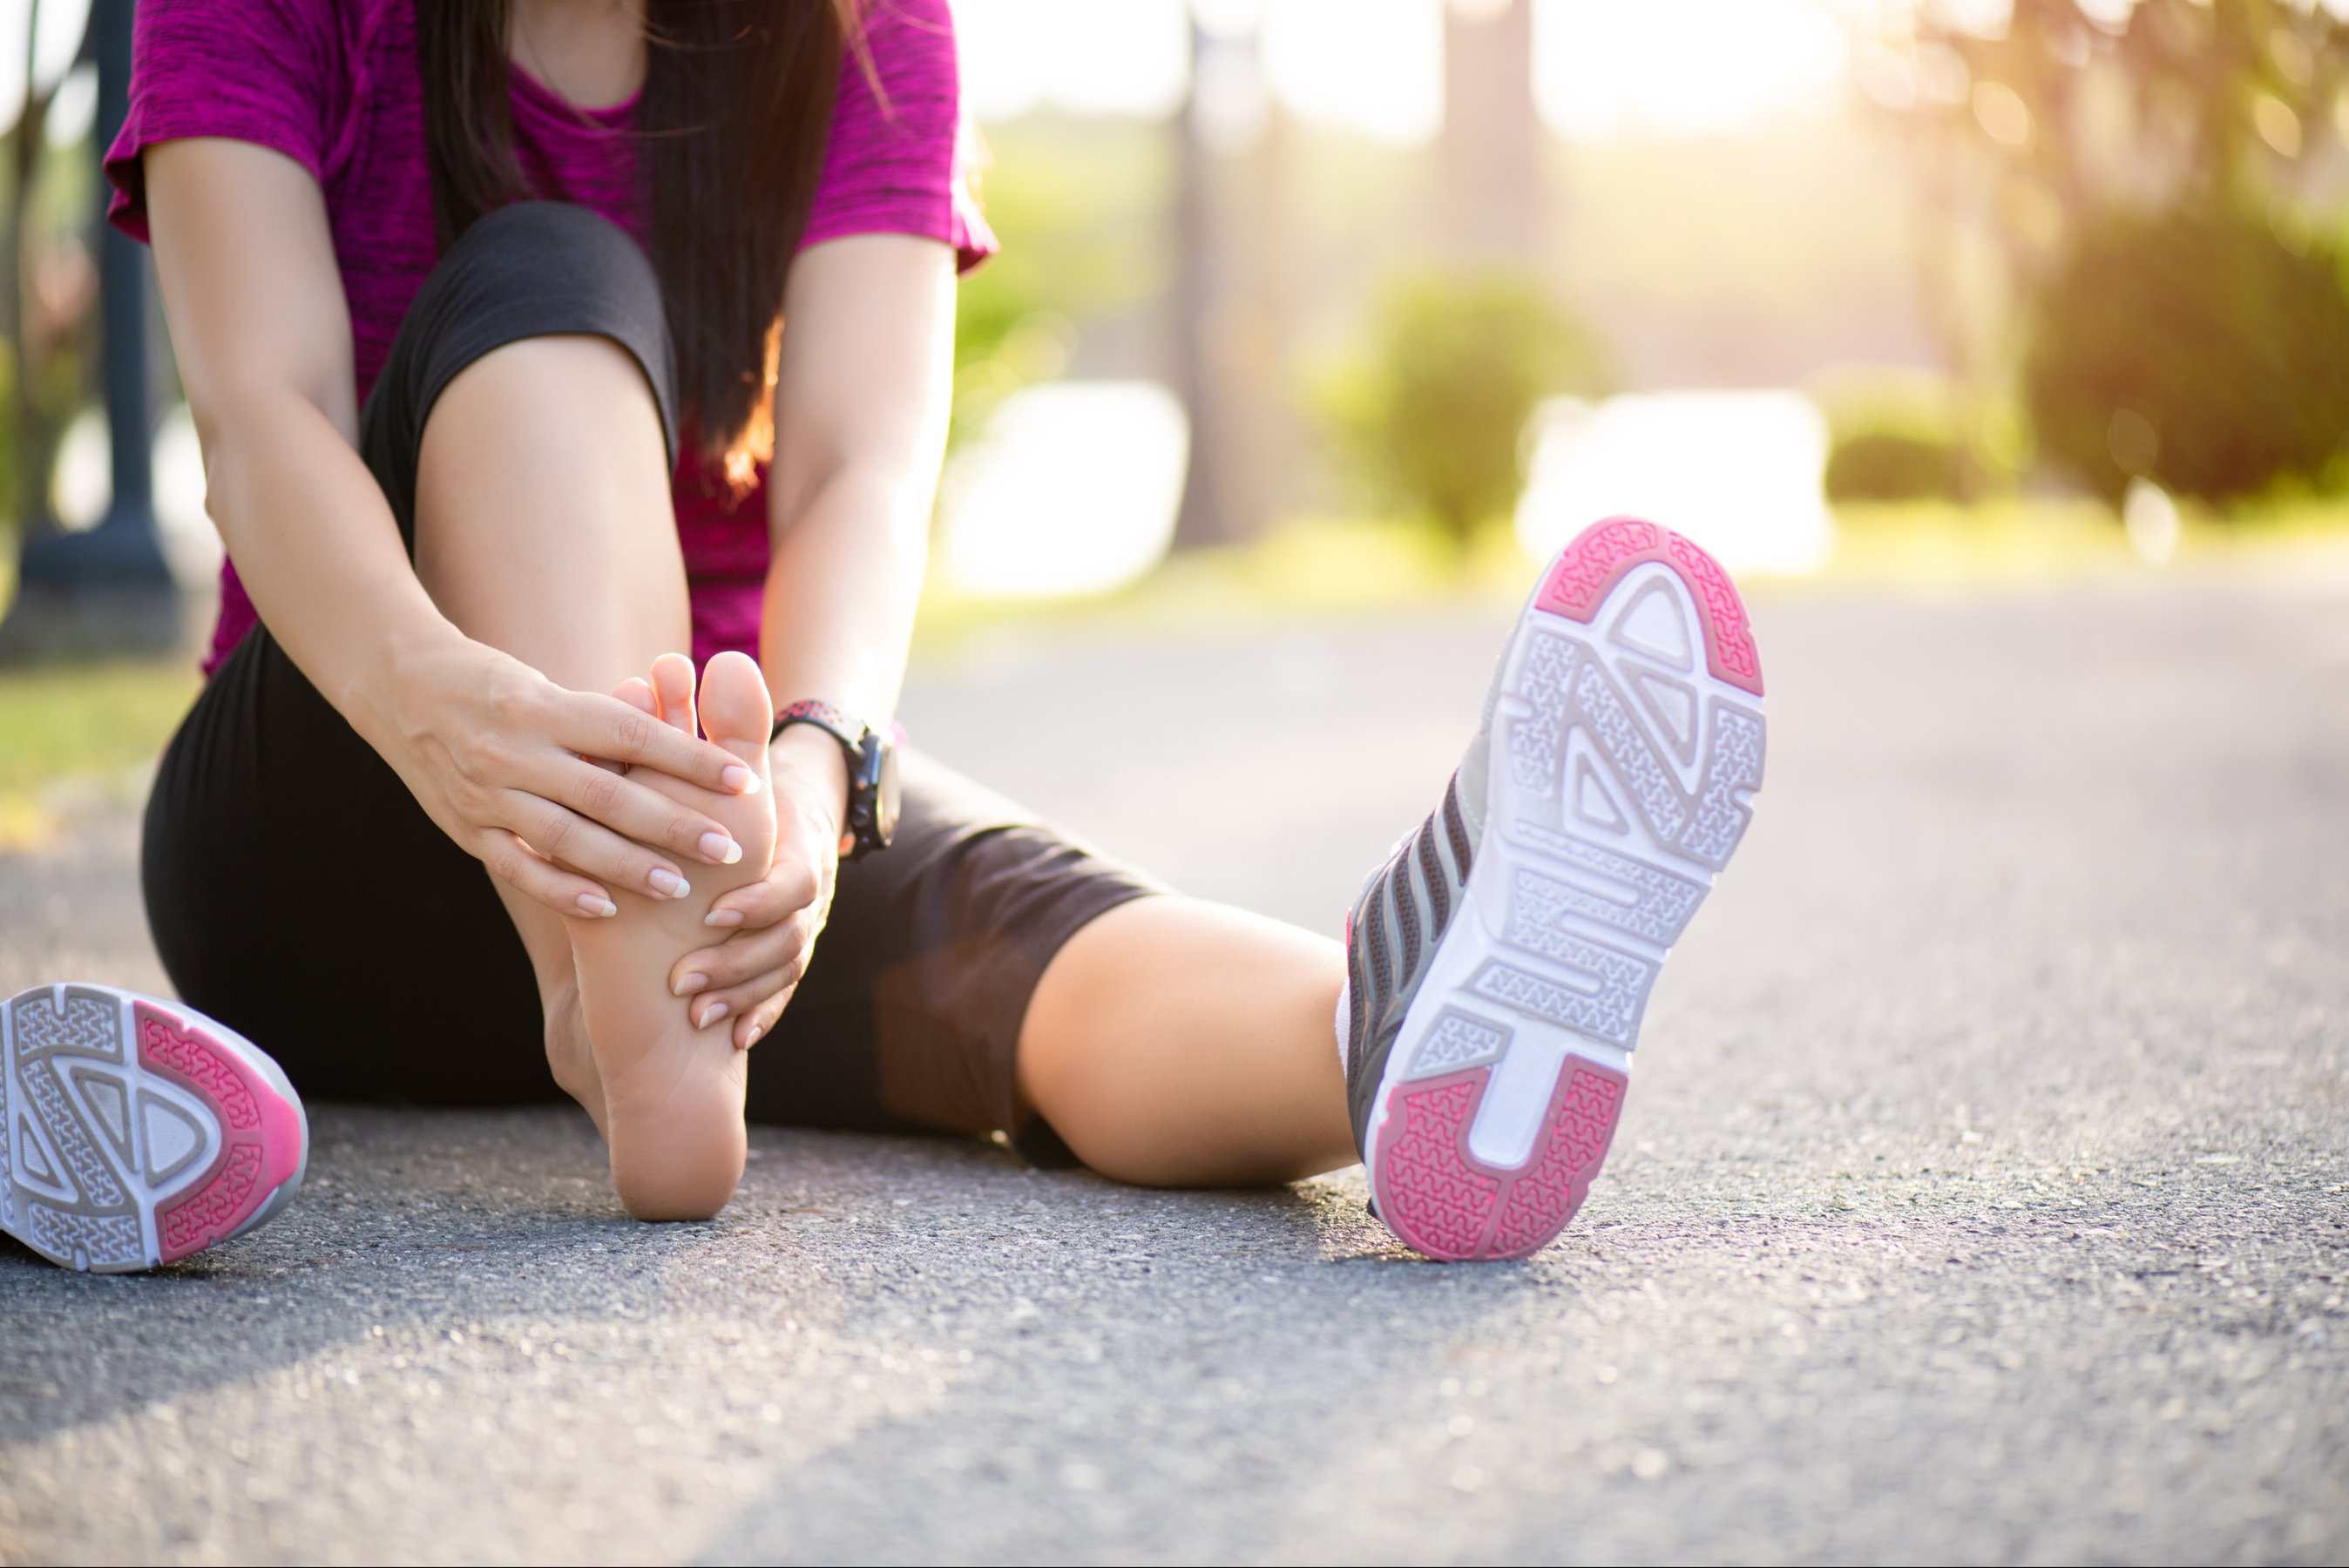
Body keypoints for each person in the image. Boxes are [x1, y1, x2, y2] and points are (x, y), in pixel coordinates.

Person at [0, 0, 1767, 1274]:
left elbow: (859, 470)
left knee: (1016, 922)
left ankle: (1396, 1036)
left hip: (716, 847)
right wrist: (442, 703)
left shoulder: (862, 35)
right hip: (351, 785)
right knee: (546, 273)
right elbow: (263, 413)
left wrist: (808, 779)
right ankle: (601, 1004)